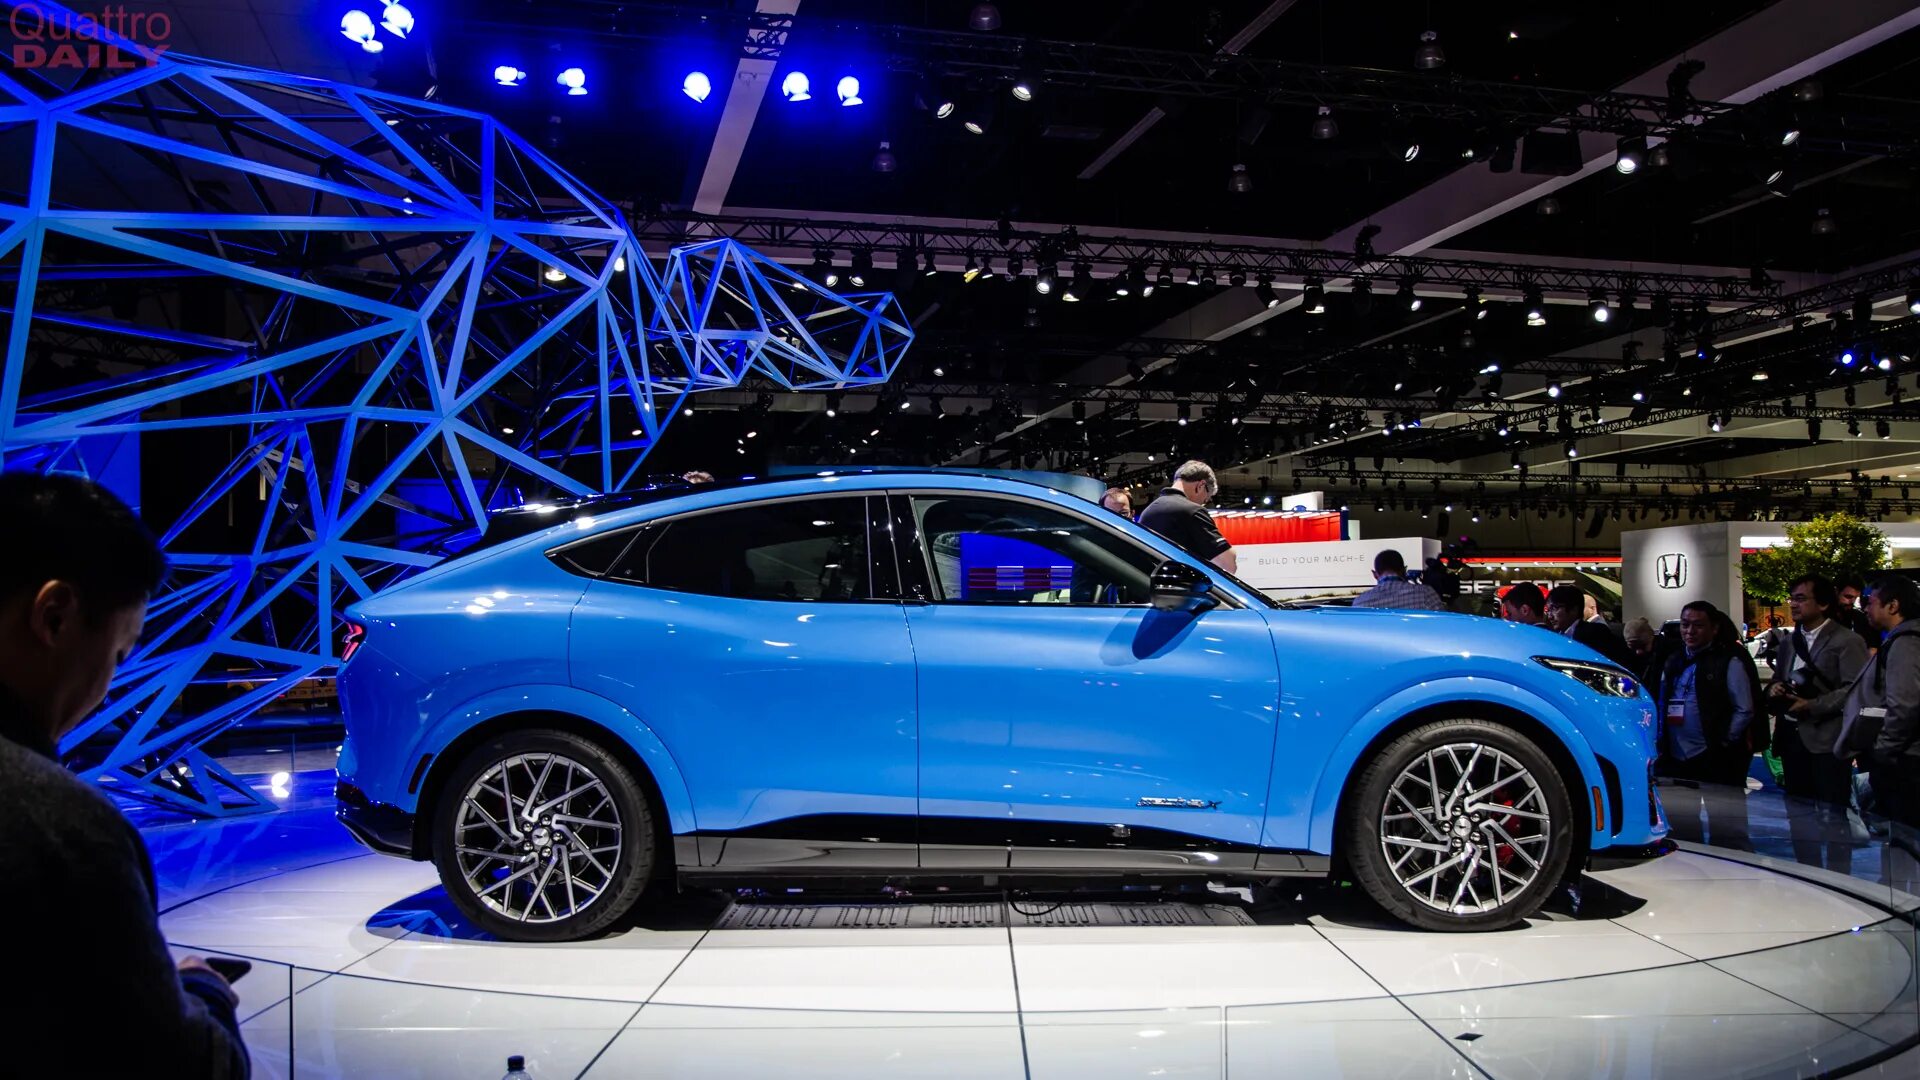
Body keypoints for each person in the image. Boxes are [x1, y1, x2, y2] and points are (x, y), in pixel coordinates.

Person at [0, 473, 249, 1077]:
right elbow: (184, 1068)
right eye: (116, 653)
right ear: (55, 617)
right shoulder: (62, 829)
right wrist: (202, 993)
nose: (105, 686)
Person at [1769, 575, 1871, 872]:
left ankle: (1840, 877)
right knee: (1798, 813)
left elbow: (1854, 689)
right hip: (1792, 736)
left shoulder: (1847, 640)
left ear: (1823, 603)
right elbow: (1779, 679)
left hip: (1827, 739)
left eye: (1801, 598)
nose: (1794, 604)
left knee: (1834, 814)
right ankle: (1806, 872)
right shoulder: (1790, 641)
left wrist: (1813, 706)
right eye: (1792, 598)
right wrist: (1774, 689)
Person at [1653, 600, 1762, 850]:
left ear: (1714, 628)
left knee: (1727, 828)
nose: (1690, 631)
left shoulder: (1729, 660)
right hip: (1676, 755)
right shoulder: (1673, 660)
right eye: (1685, 625)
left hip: (1716, 756)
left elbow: (1744, 709)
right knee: (1682, 827)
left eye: (1698, 626)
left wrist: (1725, 741)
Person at [1837, 574, 1920, 832]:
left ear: (1892, 606)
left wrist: (1883, 750)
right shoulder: (1902, 639)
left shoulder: (1906, 642)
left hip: (1904, 761)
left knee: (1903, 837)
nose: (1865, 607)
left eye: (1871, 601)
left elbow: (1904, 705)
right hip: (1904, 757)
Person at [1138, 460, 1237, 573]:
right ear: (1200, 486)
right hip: (1184, 587)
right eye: (1205, 499)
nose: (1203, 503)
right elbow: (1228, 565)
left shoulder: (1148, 511)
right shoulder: (1192, 511)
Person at [1543, 585, 1638, 671]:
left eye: (1555, 608)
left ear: (1574, 609)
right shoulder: (1557, 637)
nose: (1550, 616)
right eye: (1549, 610)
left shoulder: (1595, 633)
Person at [1351, 549, 1447, 611]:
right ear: (1404, 570)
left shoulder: (1360, 602)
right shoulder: (1425, 594)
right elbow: (1442, 625)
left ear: (1375, 574)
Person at [1622, 617, 1659, 682]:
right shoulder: (1626, 657)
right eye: (1633, 647)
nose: (1638, 652)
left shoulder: (1667, 656)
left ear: (1652, 638)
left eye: (1642, 646)